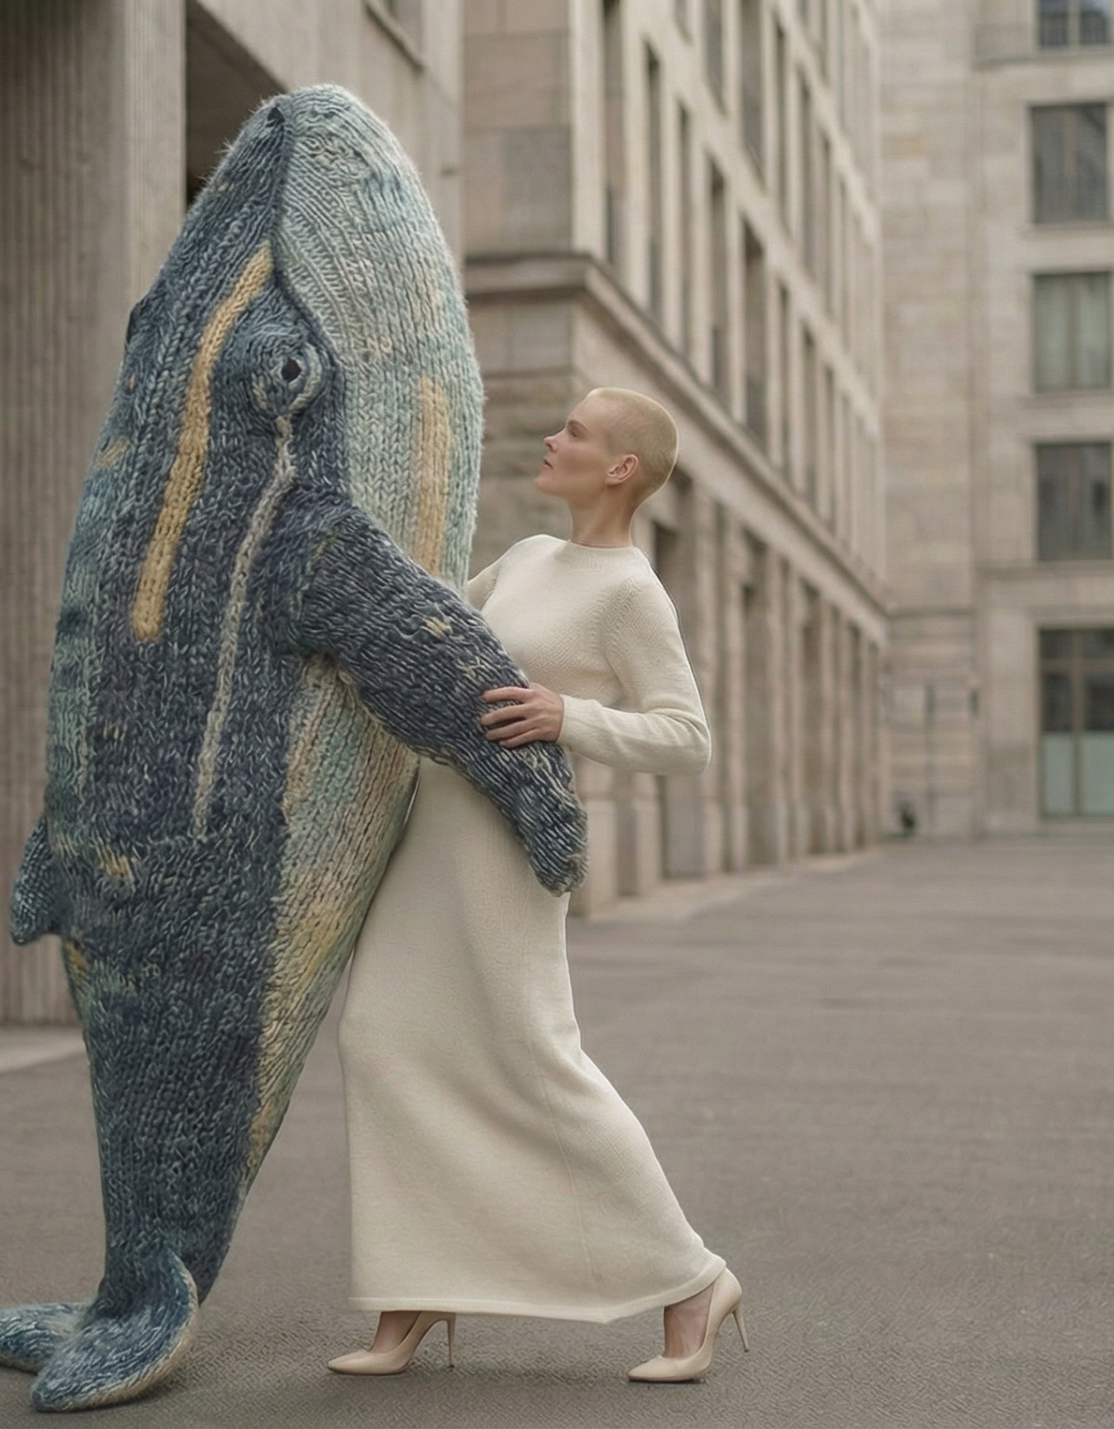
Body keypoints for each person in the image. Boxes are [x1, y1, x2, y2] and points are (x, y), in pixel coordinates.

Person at [328, 388, 744, 1384]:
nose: (553, 439)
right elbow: (426, 642)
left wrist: (569, 715)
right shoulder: (523, 559)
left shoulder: (628, 592)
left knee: (532, 1059)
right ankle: (417, 1281)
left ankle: (690, 1280)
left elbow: (686, 739)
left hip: (507, 849)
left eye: (577, 432)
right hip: (433, 829)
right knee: (384, 1036)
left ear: (620, 470)